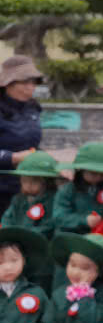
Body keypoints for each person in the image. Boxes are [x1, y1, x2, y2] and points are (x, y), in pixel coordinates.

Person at [0, 151, 61, 293]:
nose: (27, 185)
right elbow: (7, 218)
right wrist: (10, 233)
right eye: (24, 180)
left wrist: (24, 236)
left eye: (33, 181)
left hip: (42, 252)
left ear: (46, 182)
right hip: (17, 249)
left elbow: (50, 225)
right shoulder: (18, 199)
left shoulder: (53, 199)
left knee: (40, 285)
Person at [0, 56, 44, 219]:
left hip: (26, 187)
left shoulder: (33, 108)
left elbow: (33, 145)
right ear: (8, 84)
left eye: (34, 82)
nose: (31, 87)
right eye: (26, 82)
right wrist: (13, 157)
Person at [51, 142, 103, 236]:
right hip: (74, 237)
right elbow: (59, 217)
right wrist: (84, 220)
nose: (99, 177)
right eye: (93, 173)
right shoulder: (67, 191)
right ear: (81, 170)